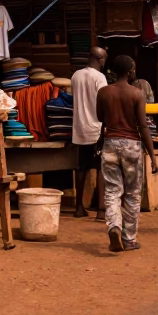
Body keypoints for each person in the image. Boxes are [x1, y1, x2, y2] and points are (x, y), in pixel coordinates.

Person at [95, 55, 158, 251]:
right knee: (132, 193)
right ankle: (129, 239)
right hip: (131, 145)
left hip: (110, 143)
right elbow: (143, 126)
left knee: (112, 191)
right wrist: (152, 155)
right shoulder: (137, 94)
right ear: (131, 71)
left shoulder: (104, 92)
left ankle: (114, 226)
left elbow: (100, 117)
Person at [70, 47, 109, 220]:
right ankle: (101, 210)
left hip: (79, 129)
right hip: (96, 129)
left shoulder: (75, 76)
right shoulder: (99, 77)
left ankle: (79, 207)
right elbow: (104, 102)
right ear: (100, 60)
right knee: (100, 168)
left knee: (81, 168)